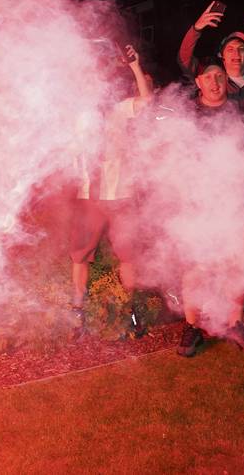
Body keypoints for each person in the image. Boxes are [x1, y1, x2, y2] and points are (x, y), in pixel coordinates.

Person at [176, 62, 244, 356]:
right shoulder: (187, 114)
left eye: (220, 76)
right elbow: (172, 158)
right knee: (195, 267)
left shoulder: (243, 112)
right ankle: (192, 326)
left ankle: (234, 322)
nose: (215, 82)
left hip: (237, 199)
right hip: (196, 201)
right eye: (209, 77)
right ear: (198, 82)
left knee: (235, 264)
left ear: (226, 80)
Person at [65, 44, 154, 341]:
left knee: (127, 256)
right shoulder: (78, 114)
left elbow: (147, 100)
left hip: (120, 195)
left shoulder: (120, 109)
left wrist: (134, 66)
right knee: (79, 256)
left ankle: (130, 310)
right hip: (89, 196)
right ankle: (77, 311)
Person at [177, 2, 244, 124]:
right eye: (230, 49)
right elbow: (184, 58)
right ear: (221, 55)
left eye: (241, 49)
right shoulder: (213, 81)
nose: (236, 54)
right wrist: (196, 29)